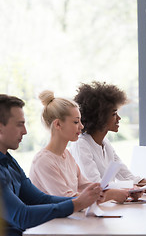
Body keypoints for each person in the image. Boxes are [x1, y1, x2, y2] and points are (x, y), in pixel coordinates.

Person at [0, 94, 101, 236]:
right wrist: (77, 204)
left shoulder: (9, 162)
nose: (25, 131)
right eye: (19, 124)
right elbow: (22, 216)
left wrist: (84, 200)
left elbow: (40, 199)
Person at [29, 90, 135, 204]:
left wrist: (127, 191)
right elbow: (67, 199)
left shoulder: (66, 155)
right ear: (58, 124)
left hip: (67, 220)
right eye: (76, 122)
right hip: (52, 222)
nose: (82, 126)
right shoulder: (43, 161)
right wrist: (110, 195)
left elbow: (88, 187)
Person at [69, 82, 146, 193]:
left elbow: (127, 176)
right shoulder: (81, 145)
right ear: (99, 117)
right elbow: (96, 185)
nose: (119, 118)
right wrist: (136, 189)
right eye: (114, 114)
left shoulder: (105, 143)